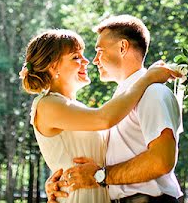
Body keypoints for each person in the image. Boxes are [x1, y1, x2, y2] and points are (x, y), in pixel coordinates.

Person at [22, 28, 180, 203]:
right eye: (76, 57)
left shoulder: (77, 108)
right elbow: (105, 118)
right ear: (53, 67)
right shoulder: (47, 105)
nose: (87, 61)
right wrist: (147, 79)